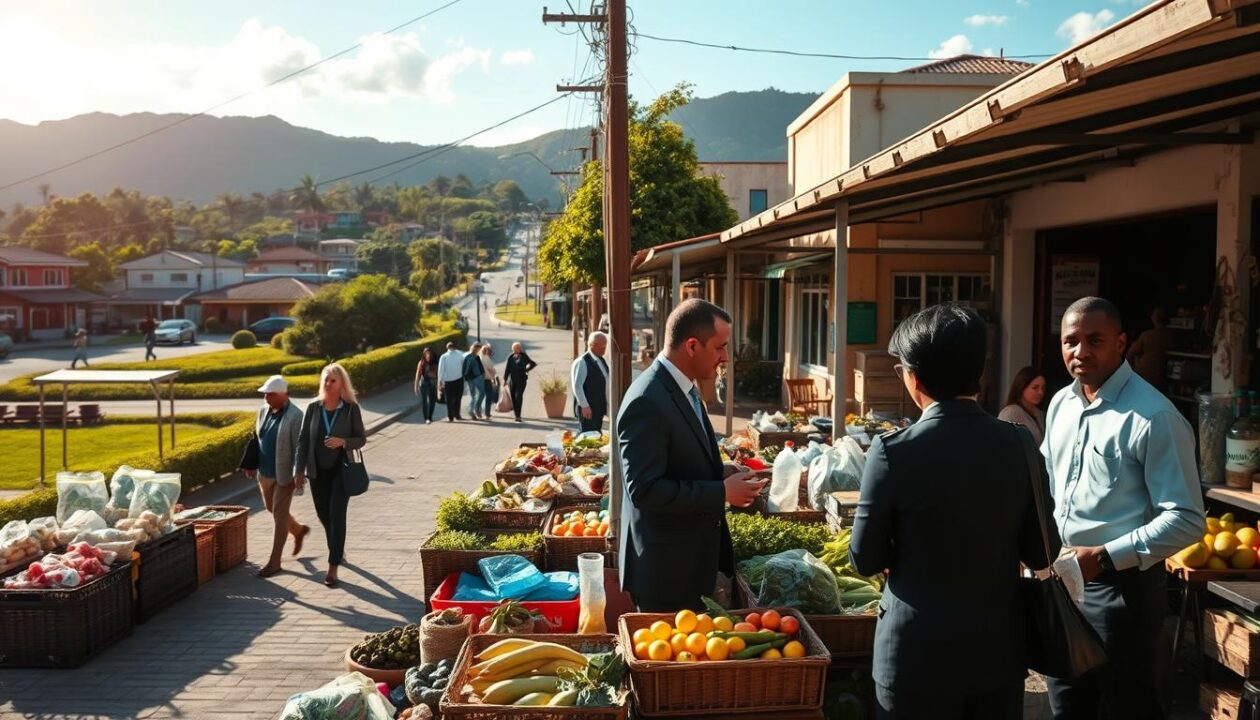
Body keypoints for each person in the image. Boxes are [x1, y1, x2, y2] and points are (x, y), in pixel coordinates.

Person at [850, 305, 1052, 719]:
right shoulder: (1019, 444)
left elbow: (864, 558)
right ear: (979, 373)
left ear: (915, 377)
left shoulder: (892, 451)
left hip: (914, 656)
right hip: (996, 654)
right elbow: (1042, 553)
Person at [1041, 296, 1204, 718]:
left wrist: (1106, 558)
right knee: (1067, 706)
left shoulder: (1154, 417)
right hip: (1063, 582)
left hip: (1123, 594)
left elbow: (1186, 519)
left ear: (1121, 342)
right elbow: (1046, 484)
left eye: (1094, 340)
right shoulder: (1061, 404)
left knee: (1127, 708)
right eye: (1070, 341)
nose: (1081, 352)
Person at [617, 299, 767, 611]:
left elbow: (678, 459)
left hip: (686, 568)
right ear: (692, 346)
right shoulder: (647, 399)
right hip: (665, 577)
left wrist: (721, 469)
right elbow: (644, 489)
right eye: (720, 347)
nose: (725, 357)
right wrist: (722, 492)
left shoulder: (682, 386)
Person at [295, 363, 367, 587]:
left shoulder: (350, 409)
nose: (327, 383)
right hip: (317, 472)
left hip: (341, 470)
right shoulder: (313, 408)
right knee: (324, 516)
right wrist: (299, 470)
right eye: (325, 379)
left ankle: (333, 566)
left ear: (341, 384)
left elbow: (361, 438)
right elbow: (303, 440)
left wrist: (343, 442)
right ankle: (338, 548)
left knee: (337, 515)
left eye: (332, 380)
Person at [246, 376, 309, 578]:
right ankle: (299, 530)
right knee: (271, 509)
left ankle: (274, 562)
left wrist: (298, 473)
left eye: (270, 394)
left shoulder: (295, 415)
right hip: (264, 473)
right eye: (264, 393)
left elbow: (300, 447)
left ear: (283, 395)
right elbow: (257, 437)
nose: (265, 397)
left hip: (284, 475)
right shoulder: (264, 410)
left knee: (279, 516)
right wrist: (250, 463)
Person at [1126, 306, 1178, 391]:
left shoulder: (1147, 335)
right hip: (1163, 377)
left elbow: (1130, 354)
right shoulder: (1172, 336)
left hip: (1144, 375)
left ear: (1154, 319)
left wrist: (1133, 371)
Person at [997, 366, 1047, 446]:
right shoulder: (1010, 413)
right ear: (1022, 387)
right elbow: (1002, 443)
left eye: (1043, 388)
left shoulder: (1040, 414)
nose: (1040, 392)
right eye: (1035, 388)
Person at [570, 331, 610, 433]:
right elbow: (577, 386)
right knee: (587, 436)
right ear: (593, 345)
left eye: (605, 347)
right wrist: (584, 406)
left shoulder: (601, 360)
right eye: (602, 347)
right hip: (588, 409)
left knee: (596, 435)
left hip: (598, 407)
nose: (604, 350)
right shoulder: (582, 362)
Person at [503, 342, 537, 423]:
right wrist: (505, 379)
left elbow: (533, 363)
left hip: (521, 379)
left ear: (520, 348)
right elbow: (507, 369)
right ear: (512, 349)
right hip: (512, 380)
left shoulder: (523, 356)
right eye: (515, 348)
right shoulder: (510, 357)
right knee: (513, 397)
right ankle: (516, 414)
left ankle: (518, 415)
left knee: (518, 396)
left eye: (518, 348)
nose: (517, 350)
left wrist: (526, 370)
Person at [437, 341, 466, 422]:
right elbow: (464, 364)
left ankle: (451, 416)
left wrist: (440, 381)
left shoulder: (444, 356)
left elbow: (441, 370)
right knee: (457, 398)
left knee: (450, 399)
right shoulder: (460, 354)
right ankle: (456, 415)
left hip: (449, 381)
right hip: (458, 379)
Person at [413, 346, 439, 425]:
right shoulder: (421, 362)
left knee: (432, 401)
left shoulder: (436, 363)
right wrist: (416, 386)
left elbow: (439, 374)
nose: (428, 355)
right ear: (424, 355)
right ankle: (426, 418)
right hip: (424, 383)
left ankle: (430, 417)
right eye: (426, 354)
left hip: (433, 383)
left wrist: (439, 385)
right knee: (424, 401)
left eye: (430, 354)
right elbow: (418, 374)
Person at [463, 342, 486, 420]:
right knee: (474, 395)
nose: (479, 350)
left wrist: (483, 374)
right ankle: (472, 410)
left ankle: (476, 408)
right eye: (478, 348)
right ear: (475, 348)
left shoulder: (477, 357)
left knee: (481, 393)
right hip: (473, 378)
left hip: (478, 377)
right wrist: (466, 378)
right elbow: (464, 368)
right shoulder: (468, 357)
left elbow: (481, 367)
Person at [480, 344, 498, 419]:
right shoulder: (487, 358)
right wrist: (494, 376)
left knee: (480, 396)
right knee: (488, 396)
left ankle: (478, 411)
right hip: (487, 379)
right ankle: (487, 413)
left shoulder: (479, 358)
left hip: (479, 379)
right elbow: (491, 369)